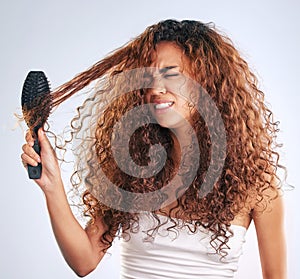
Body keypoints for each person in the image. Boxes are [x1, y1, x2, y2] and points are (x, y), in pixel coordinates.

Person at [21, 19, 286, 278]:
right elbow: (84, 261)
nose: (156, 88)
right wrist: (52, 185)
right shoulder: (132, 169)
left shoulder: (255, 183)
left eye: (171, 75)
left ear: (207, 83)